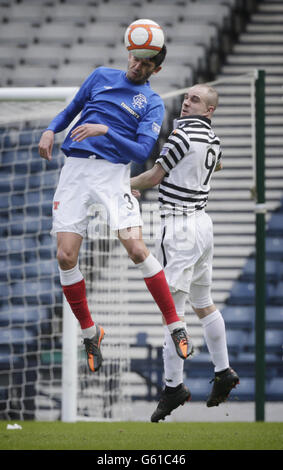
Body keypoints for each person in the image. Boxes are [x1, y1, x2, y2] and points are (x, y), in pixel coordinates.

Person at [38, 41, 193, 375]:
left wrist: (105, 130)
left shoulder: (152, 103)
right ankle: (90, 332)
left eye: (146, 63)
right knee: (65, 257)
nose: (137, 65)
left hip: (113, 174)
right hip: (75, 171)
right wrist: (52, 129)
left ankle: (175, 323)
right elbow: (71, 110)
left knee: (137, 249)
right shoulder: (100, 76)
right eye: (136, 58)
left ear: (157, 69)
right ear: (130, 54)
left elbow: (141, 153)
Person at [130, 83, 240, 422]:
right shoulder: (213, 139)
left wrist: (123, 186)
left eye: (195, 100)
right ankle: (223, 371)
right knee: (204, 304)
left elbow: (153, 177)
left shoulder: (182, 136)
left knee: (172, 312)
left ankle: (174, 387)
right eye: (187, 97)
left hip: (178, 226)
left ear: (209, 110)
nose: (186, 102)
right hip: (203, 225)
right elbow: (215, 167)